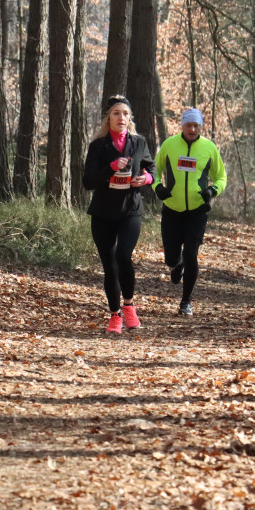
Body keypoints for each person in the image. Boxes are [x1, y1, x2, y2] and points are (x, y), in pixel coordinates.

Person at [82, 95, 156, 334]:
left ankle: (129, 306)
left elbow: (151, 167)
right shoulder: (98, 146)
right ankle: (114, 315)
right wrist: (111, 168)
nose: (121, 118)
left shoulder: (138, 142)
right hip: (103, 212)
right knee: (109, 265)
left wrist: (146, 178)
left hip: (130, 209)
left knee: (124, 255)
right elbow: (88, 181)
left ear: (129, 118)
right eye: (116, 113)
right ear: (108, 118)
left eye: (125, 113)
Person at [151, 108, 227, 316]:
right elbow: (153, 172)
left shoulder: (208, 148)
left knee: (192, 254)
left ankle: (186, 302)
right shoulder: (169, 145)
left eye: (196, 125)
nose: (192, 129)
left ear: (200, 127)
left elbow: (221, 177)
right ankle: (178, 263)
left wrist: (213, 190)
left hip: (197, 211)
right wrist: (157, 187)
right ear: (182, 126)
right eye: (188, 125)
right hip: (172, 210)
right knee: (171, 259)